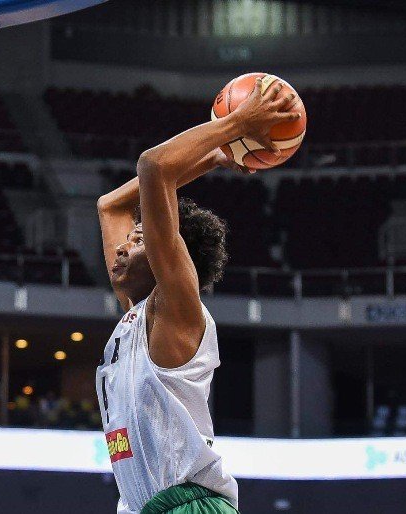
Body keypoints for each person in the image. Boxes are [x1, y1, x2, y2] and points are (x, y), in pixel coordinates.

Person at [95, 78, 300, 514]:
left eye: (137, 238)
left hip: (190, 505)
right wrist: (215, 158)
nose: (121, 247)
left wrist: (236, 123)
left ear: (170, 254)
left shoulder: (176, 310)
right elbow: (110, 206)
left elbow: (154, 166)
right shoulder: (134, 318)